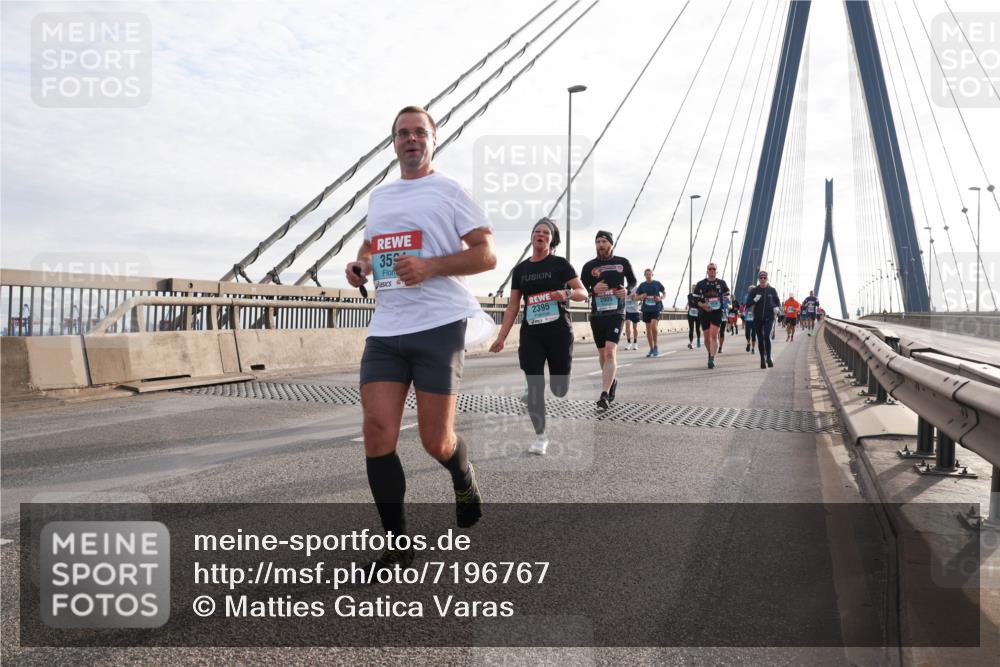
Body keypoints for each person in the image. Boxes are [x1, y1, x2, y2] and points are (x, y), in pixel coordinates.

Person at [345, 105, 496, 570]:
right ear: (393, 143)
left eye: (419, 132)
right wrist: (361, 265)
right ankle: (397, 544)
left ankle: (463, 473)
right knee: (377, 431)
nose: (411, 139)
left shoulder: (450, 191)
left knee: (436, 441)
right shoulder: (380, 198)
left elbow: (486, 255)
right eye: (402, 133)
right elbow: (374, 246)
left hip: (438, 326)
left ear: (433, 140)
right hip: (387, 329)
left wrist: (430, 266)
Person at [491, 219, 585, 455]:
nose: (540, 235)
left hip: (559, 333)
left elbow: (583, 293)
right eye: (537, 231)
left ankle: (554, 386)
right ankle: (541, 437)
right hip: (532, 333)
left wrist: (563, 293)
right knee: (534, 385)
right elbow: (513, 306)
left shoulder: (560, 264)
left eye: (545, 232)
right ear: (531, 237)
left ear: (552, 239)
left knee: (559, 388)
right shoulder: (521, 270)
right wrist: (501, 336)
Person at [581, 231, 637, 410]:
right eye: (597, 241)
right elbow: (580, 289)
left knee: (611, 351)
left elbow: (633, 281)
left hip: (616, 312)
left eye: (604, 241)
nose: (601, 244)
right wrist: (592, 289)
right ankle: (611, 382)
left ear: (611, 244)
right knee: (602, 353)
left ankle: (604, 394)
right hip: (597, 314)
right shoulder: (589, 266)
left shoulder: (622, 262)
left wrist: (627, 290)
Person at [694, 263, 730, 369]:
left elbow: (727, 294)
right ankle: (710, 353)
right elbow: (695, 299)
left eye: (714, 269)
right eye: (710, 269)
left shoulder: (722, 283)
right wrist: (703, 305)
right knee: (706, 338)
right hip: (704, 312)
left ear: (716, 271)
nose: (712, 270)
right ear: (707, 271)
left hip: (717, 312)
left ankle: (711, 359)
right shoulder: (700, 284)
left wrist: (727, 298)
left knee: (714, 335)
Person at [747, 271, 781, 368]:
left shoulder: (772, 290)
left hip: (769, 317)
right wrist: (754, 300)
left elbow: (777, 302)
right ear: (758, 279)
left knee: (766, 336)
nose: (762, 279)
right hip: (757, 318)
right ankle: (762, 358)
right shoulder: (755, 290)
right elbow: (748, 304)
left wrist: (776, 308)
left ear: (767, 278)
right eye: (761, 277)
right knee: (760, 339)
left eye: (764, 277)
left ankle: (769, 357)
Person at [635, 269, 665, 357]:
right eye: (647, 274)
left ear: (652, 274)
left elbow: (664, 293)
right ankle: (651, 348)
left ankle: (656, 346)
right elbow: (636, 298)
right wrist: (641, 296)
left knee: (653, 327)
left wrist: (661, 298)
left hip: (656, 308)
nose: (648, 275)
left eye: (650, 274)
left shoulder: (657, 283)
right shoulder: (642, 285)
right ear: (644, 275)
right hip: (646, 309)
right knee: (648, 331)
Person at [741, 286, 757, 354]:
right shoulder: (746, 296)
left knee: (753, 334)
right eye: (750, 290)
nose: (751, 291)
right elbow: (744, 305)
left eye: (752, 290)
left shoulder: (757, 296)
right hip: (748, 317)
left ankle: (753, 348)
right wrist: (743, 312)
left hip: (755, 318)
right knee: (747, 333)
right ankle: (748, 343)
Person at [686, 283, 702, 349]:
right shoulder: (689, 295)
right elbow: (691, 302)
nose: (693, 289)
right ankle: (691, 342)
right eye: (692, 288)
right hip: (691, 314)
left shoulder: (700, 296)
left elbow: (698, 303)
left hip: (698, 314)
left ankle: (698, 340)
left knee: (697, 328)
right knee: (691, 329)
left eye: (694, 288)